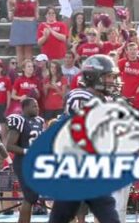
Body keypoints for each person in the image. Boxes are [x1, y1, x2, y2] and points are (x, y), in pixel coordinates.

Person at [46, 56, 121, 223]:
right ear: (93, 76)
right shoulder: (80, 97)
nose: (112, 81)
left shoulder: (102, 100)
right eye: (108, 76)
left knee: (60, 217)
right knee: (107, 212)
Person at [6, 98, 45, 223]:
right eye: (34, 106)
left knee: (32, 197)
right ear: (25, 107)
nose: (37, 108)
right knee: (30, 197)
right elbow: (10, 146)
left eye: (37, 106)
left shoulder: (39, 121)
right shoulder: (20, 120)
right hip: (23, 162)